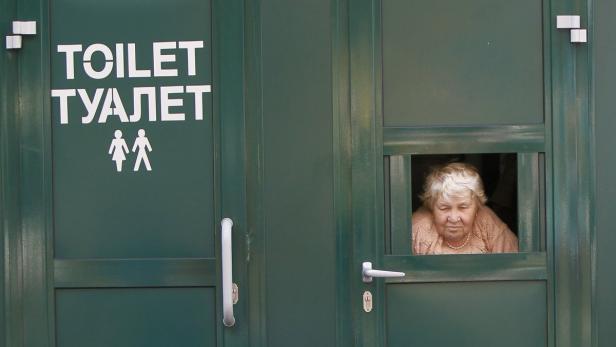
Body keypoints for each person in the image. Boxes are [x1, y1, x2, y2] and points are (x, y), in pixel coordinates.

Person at [412, 162, 518, 255]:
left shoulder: (486, 221)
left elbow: (515, 263)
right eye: (444, 208)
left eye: (463, 207)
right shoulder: (418, 228)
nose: (453, 218)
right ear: (432, 207)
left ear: (477, 207)